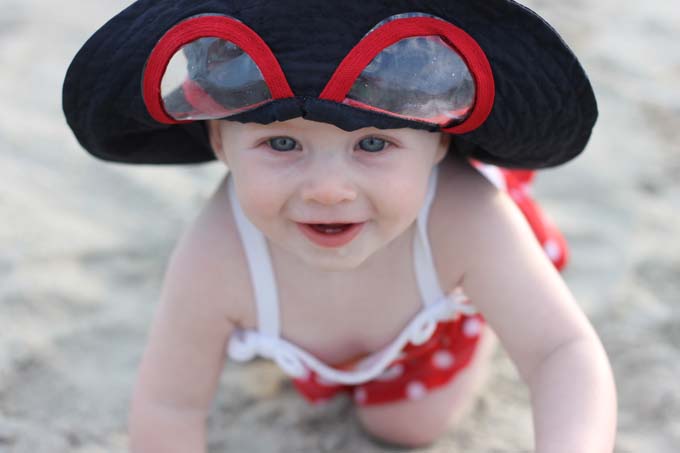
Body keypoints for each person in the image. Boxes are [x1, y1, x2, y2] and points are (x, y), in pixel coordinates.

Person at [63, 1, 617, 451]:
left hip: (429, 325)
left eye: (373, 143)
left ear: (440, 141)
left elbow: (560, 352)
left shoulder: (462, 219)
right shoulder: (217, 254)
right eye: (281, 143)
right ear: (218, 141)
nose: (328, 189)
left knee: (406, 426)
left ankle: (483, 326)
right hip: (303, 327)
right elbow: (169, 404)